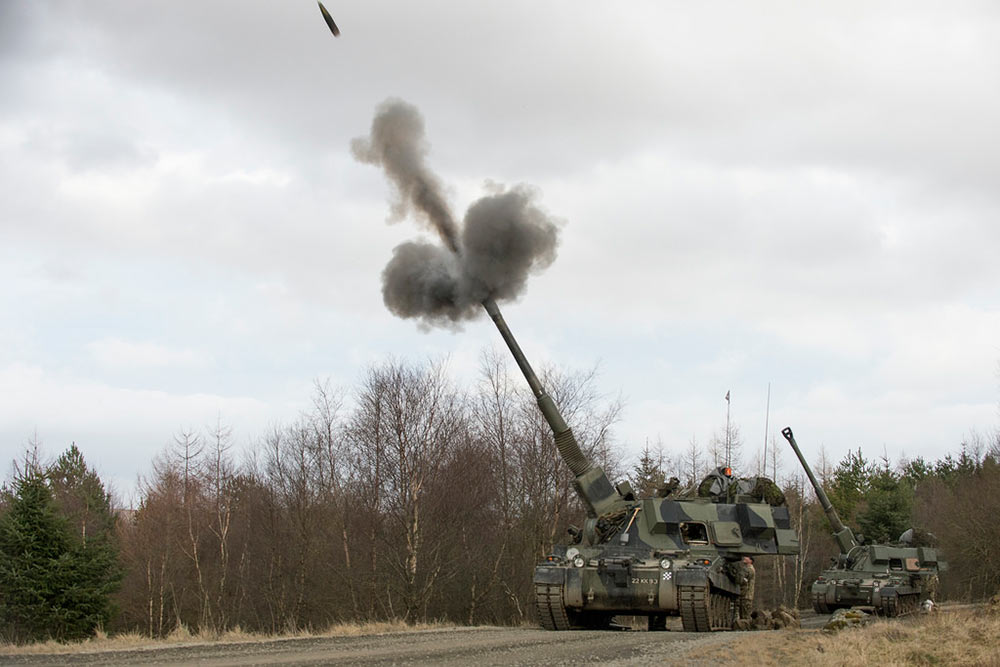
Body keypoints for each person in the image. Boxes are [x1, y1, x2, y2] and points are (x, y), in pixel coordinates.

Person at [738, 555, 756, 620]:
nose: (745, 558)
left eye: (747, 557)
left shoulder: (750, 570)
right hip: (745, 595)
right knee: (743, 613)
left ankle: (746, 627)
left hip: (747, 595)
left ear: (750, 561)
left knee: (745, 614)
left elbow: (742, 579)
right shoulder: (747, 568)